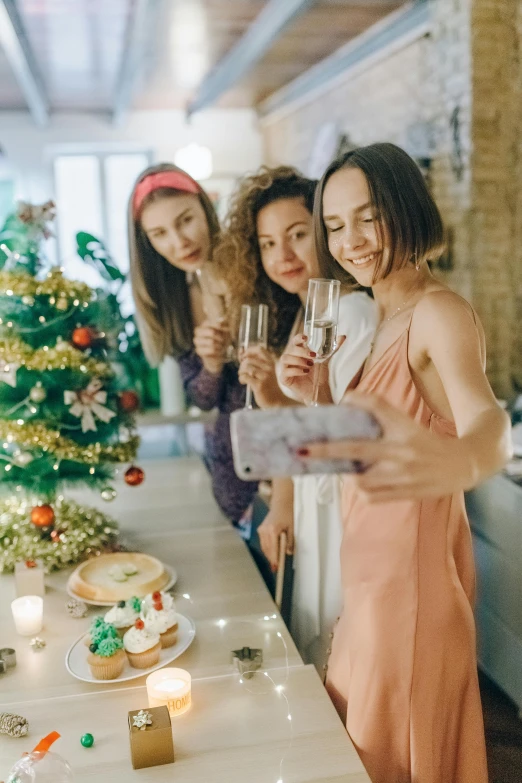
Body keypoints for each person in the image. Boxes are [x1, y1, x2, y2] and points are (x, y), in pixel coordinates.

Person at [290, 143, 511, 783]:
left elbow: (487, 421)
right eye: (334, 225)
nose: (350, 240)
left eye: (368, 217)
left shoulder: (439, 313)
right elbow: (362, 459)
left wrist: (464, 462)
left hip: (408, 604)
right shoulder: (382, 316)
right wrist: (319, 398)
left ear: (406, 209)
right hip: (370, 591)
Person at [214, 166, 377, 671]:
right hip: (309, 499)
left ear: (327, 235)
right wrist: (283, 504)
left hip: (340, 506)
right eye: (266, 244)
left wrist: (269, 396)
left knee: (336, 641)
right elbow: (303, 421)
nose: (281, 256)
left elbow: (338, 433)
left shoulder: (352, 314)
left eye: (298, 235)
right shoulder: (307, 320)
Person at [128, 163, 258, 527]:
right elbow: (202, 399)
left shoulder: (255, 267)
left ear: (206, 208)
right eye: (159, 233)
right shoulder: (173, 301)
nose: (178, 241)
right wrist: (212, 364)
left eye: (185, 220)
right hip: (232, 463)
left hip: (289, 444)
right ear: (147, 242)